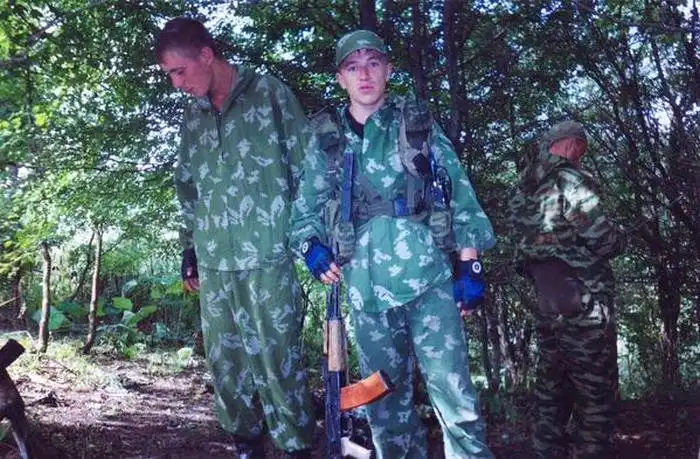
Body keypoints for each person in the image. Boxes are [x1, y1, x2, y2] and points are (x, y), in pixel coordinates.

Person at [290, 29, 496, 458]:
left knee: (457, 401)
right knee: (385, 411)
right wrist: (312, 249)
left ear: (388, 70)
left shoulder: (415, 123)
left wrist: (469, 263)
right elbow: (303, 215)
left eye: (373, 64)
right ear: (341, 78)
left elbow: (458, 191)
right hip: (366, 294)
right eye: (353, 67)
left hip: (430, 283)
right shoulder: (325, 139)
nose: (364, 74)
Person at [155, 17, 314, 458]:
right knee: (225, 362)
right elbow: (187, 184)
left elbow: (308, 169)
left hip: (268, 255)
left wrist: (309, 237)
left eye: (179, 71)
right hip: (214, 260)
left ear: (206, 55)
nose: (176, 83)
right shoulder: (194, 113)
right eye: (169, 75)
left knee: (279, 359)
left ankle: (296, 445)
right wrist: (190, 247)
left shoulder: (269, 93)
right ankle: (246, 442)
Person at [508, 121, 625, 458]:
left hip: (547, 297)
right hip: (582, 298)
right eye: (581, 149)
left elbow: (521, 246)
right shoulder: (570, 180)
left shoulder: (523, 187)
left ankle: (547, 451)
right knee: (596, 389)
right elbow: (601, 238)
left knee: (551, 386)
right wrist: (621, 237)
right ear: (572, 144)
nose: (581, 155)